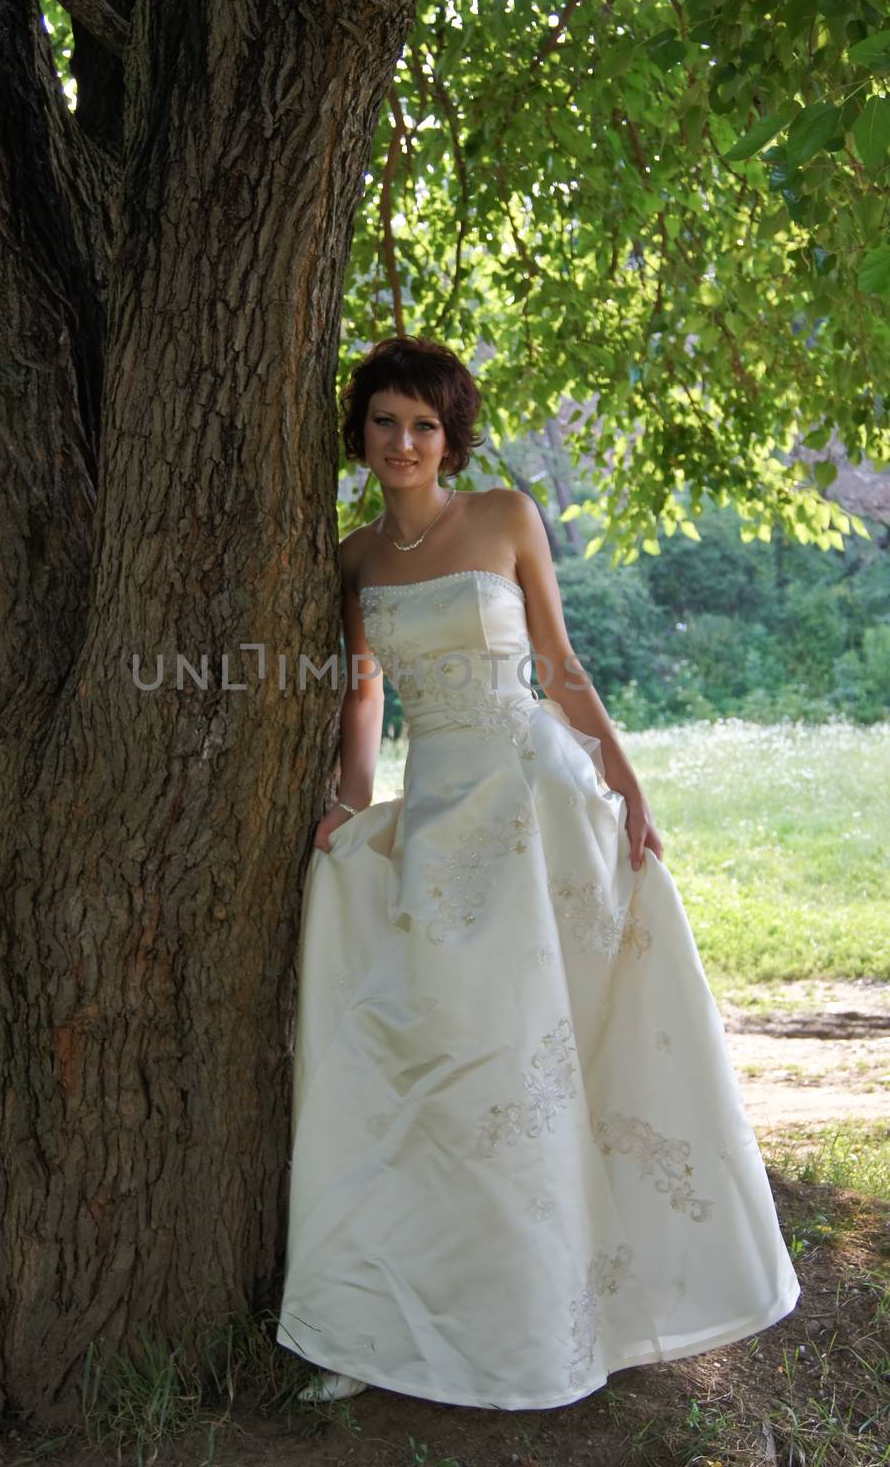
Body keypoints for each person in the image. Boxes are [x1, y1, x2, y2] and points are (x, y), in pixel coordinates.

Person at [274, 334, 801, 1409]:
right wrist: (349, 799)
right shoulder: (352, 559)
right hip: (441, 816)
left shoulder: (507, 516)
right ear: (360, 433)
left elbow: (557, 663)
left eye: (423, 424)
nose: (403, 442)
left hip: (538, 796)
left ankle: (593, 1303)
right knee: (442, 1050)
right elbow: (364, 695)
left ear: (449, 434)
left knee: (557, 1050)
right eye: (383, 421)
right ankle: (399, 1313)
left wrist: (627, 783)